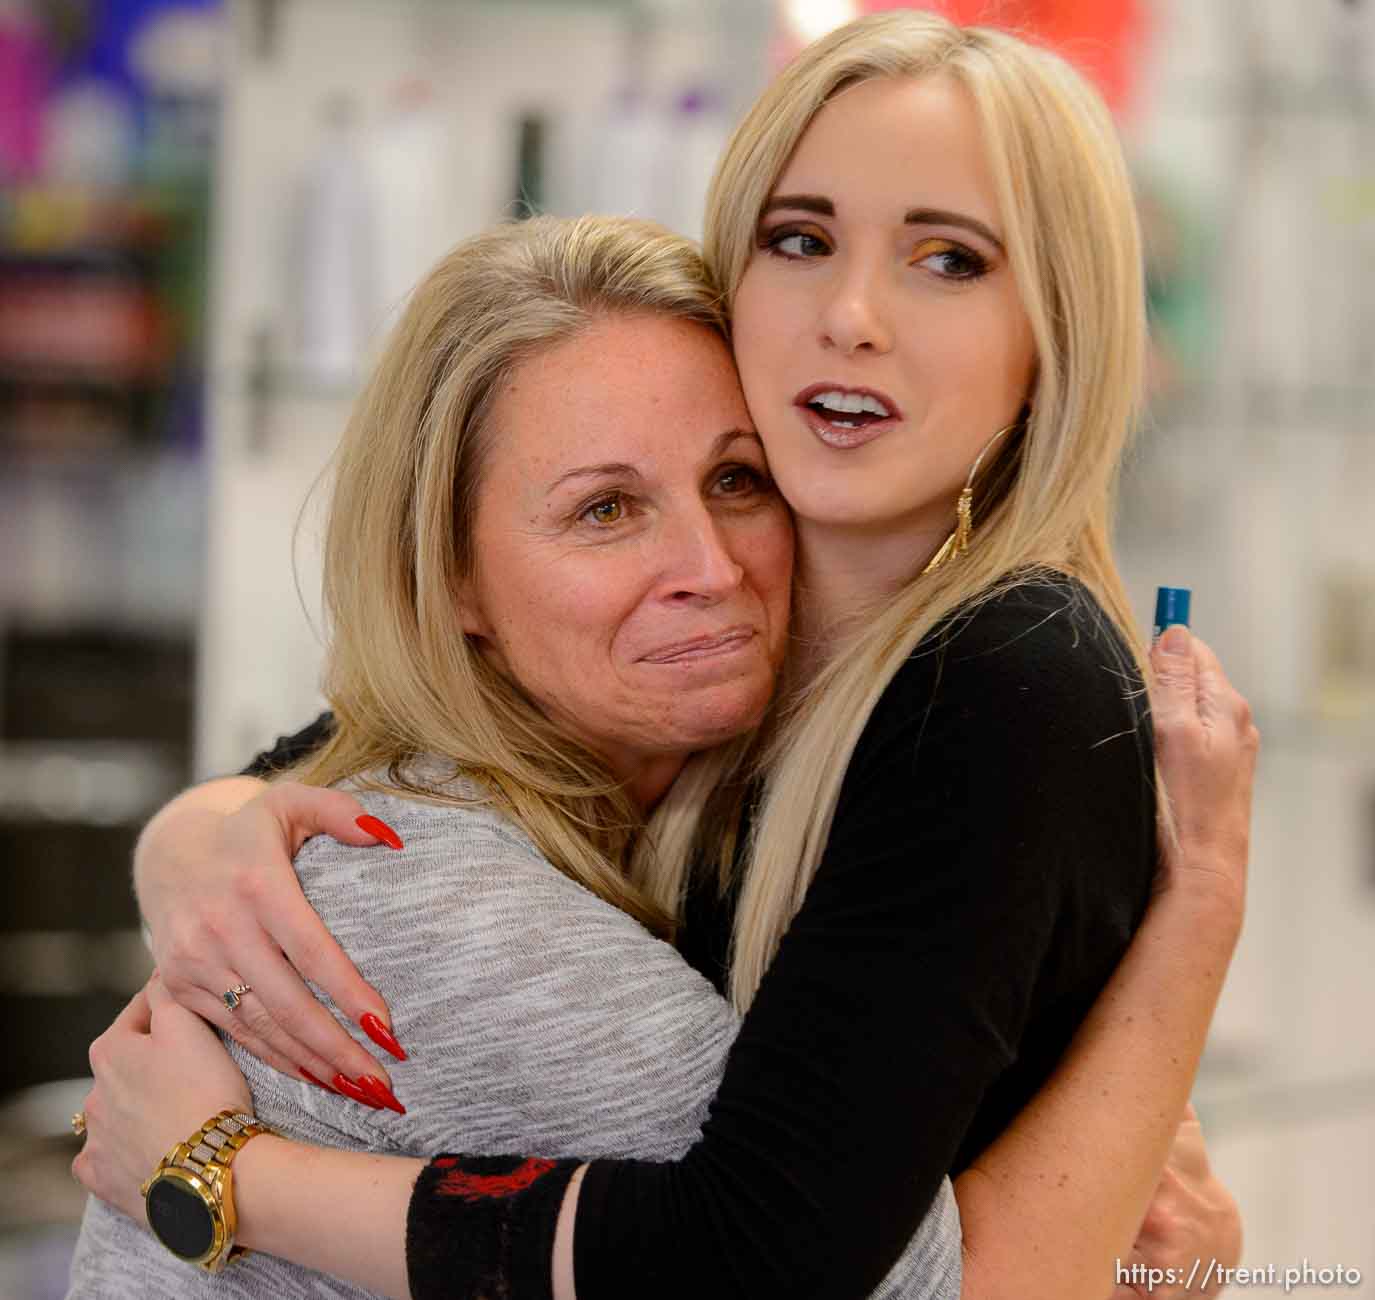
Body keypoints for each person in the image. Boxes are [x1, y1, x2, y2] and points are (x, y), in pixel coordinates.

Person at [73, 11, 1256, 1300]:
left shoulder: (998, 671)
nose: (852, 313)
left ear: (1058, 330)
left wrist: (218, 1176)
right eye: (800, 240)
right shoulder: (755, 662)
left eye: (950, 259)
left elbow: (790, 1257)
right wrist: (197, 839)